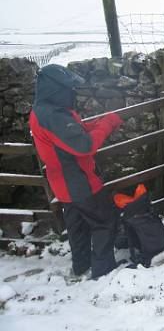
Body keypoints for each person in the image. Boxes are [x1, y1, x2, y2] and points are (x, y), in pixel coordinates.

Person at [29, 64, 123, 279]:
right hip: (79, 182)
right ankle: (104, 270)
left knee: (77, 227)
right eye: (68, 89)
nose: (73, 93)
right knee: (104, 221)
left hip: (63, 186)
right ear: (56, 90)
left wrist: (93, 124)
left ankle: (81, 266)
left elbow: (68, 135)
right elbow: (84, 146)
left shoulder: (42, 110)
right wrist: (107, 123)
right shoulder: (54, 115)